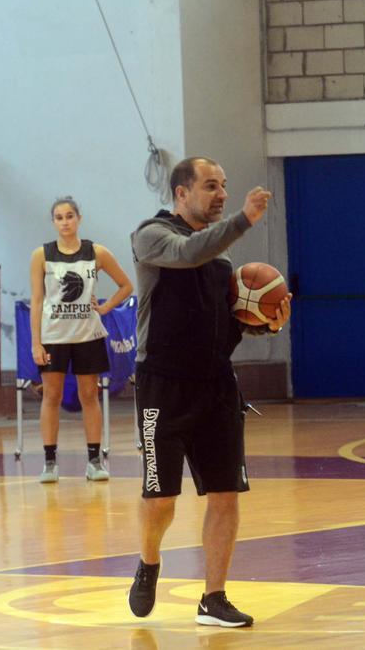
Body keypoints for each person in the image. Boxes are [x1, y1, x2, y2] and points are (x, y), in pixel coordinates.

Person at [126, 157, 291, 628]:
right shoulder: (151, 236)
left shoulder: (221, 260)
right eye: (210, 186)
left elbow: (226, 323)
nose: (220, 194)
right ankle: (149, 561)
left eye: (224, 185)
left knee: (225, 494)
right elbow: (188, 252)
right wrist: (243, 219)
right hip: (162, 386)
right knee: (161, 500)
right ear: (181, 193)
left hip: (216, 386)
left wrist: (265, 322)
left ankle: (213, 597)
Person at [29, 197, 133, 483]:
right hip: (54, 336)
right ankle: (50, 462)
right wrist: (35, 343)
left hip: (88, 335)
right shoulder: (42, 255)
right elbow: (37, 301)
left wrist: (107, 306)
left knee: (90, 395)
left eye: (70, 216)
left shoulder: (95, 252)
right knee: (52, 395)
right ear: (53, 222)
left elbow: (126, 285)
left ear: (79, 218)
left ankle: (94, 460)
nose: (65, 222)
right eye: (59, 217)